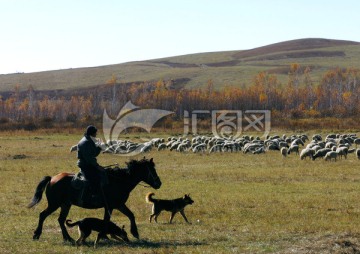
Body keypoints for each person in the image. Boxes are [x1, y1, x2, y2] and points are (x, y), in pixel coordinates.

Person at [77, 125, 107, 202]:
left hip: (89, 164)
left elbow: (93, 154)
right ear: (92, 133)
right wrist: (97, 166)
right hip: (86, 166)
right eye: (95, 133)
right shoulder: (86, 142)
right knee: (95, 178)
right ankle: (92, 196)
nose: (96, 135)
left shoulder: (89, 140)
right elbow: (89, 158)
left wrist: (99, 147)